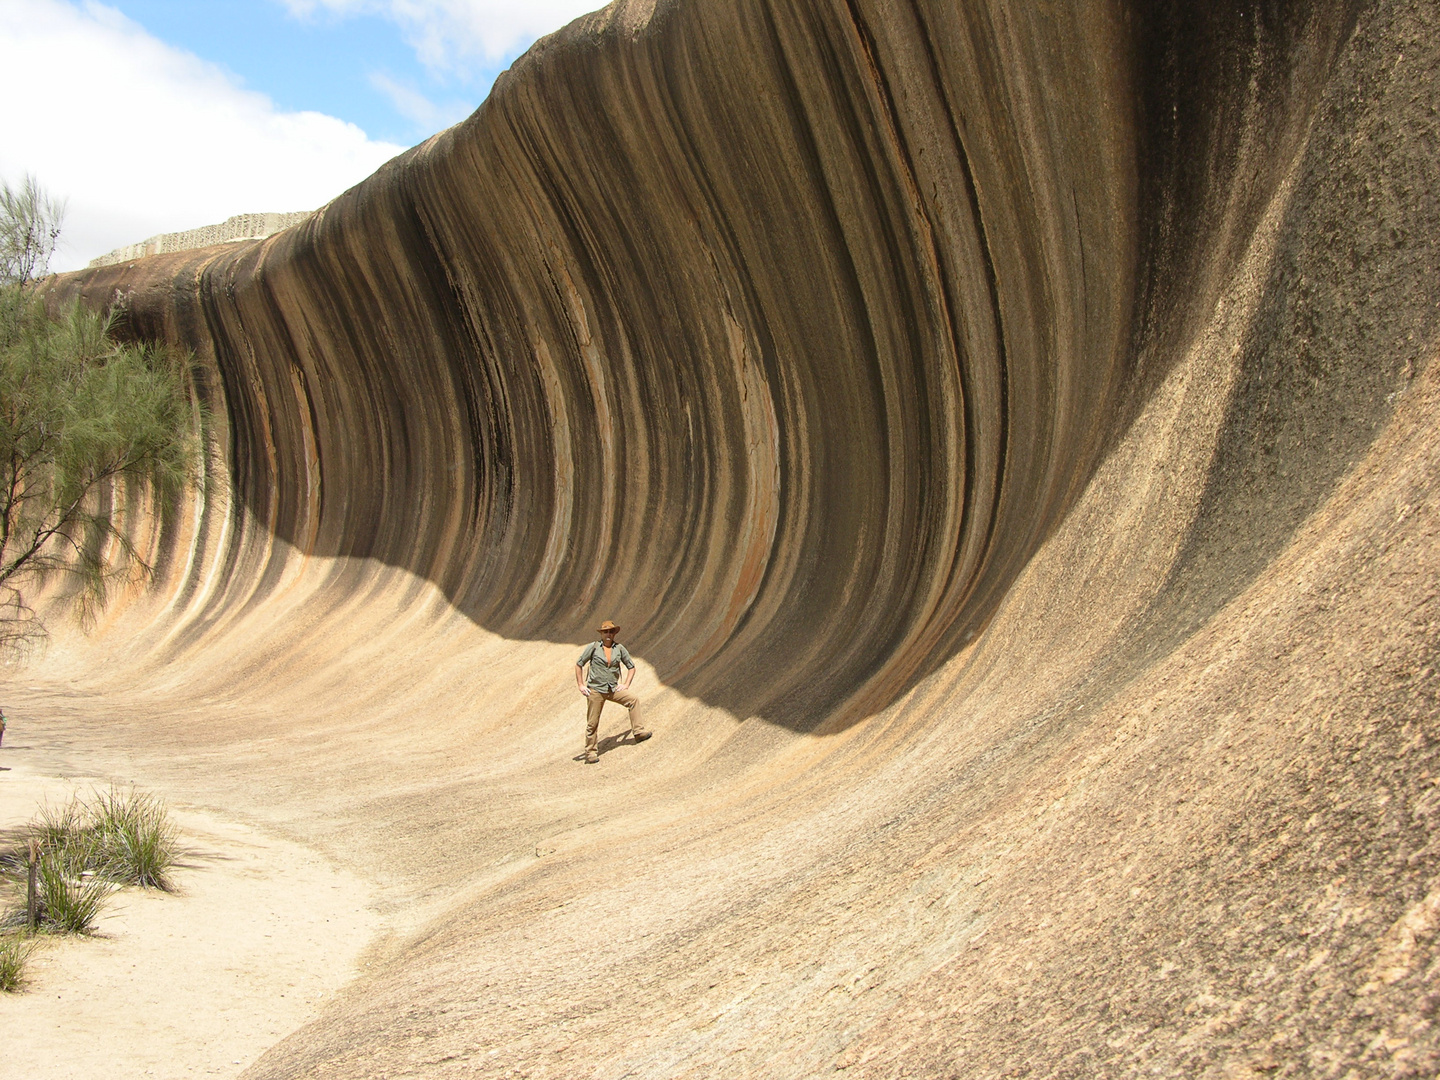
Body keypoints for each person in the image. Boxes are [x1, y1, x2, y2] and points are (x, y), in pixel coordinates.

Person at [575, 620, 650, 763]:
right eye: (605, 632)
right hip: (596, 690)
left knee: (633, 700)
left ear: (614, 633)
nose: (608, 634)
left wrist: (626, 684)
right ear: (601, 634)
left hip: (612, 688)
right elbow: (579, 664)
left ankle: (639, 732)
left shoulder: (619, 649)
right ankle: (590, 752)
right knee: (592, 722)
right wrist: (581, 685)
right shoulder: (594, 647)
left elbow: (631, 667)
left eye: (611, 631)